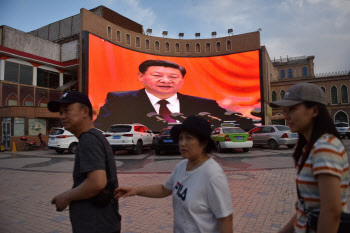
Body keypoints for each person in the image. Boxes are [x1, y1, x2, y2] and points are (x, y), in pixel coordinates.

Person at [114, 115, 233, 233]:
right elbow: (164, 189)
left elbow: (226, 218)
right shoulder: (182, 166)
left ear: (203, 143)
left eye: (189, 138)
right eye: (181, 138)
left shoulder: (213, 176)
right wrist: (136, 190)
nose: (182, 143)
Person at [269, 83, 350, 233]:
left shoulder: (325, 148)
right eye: (285, 110)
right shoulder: (311, 147)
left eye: (292, 109)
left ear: (314, 110)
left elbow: (331, 212)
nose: (286, 116)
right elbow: (306, 209)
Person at [94, 59, 253, 132]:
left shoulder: (204, 104)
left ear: (182, 80)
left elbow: (230, 122)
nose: (165, 81)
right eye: (157, 75)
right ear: (141, 77)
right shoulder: (119, 100)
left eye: (173, 77)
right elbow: (100, 128)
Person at [48, 91, 121, 233]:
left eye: (67, 111)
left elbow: (97, 182)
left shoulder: (89, 139)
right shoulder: (94, 136)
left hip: (96, 226)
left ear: (85, 111)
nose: (62, 116)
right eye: (60, 112)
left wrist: (66, 196)